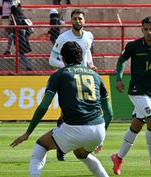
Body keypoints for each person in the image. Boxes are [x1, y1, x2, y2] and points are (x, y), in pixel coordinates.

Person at [11, 41, 112, 177]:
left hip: (75, 128)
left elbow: (44, 106)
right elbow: (109, 113)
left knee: (41, 145)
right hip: (99, 128)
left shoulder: (59, 75)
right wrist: (101, 137)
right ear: (81, 58)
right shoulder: (96, 76)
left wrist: (28, 132)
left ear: (63, 59)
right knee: (81, 154)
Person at [111, 16, 151, 176]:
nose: (149, 32)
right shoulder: (134, 46)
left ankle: (118, 157)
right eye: (146, 29)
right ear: (142, 30)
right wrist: (119, 78)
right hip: (136, 90)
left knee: (136, 124)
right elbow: (121, 60)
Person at [49, 8, 97, 161]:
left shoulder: (89, 36)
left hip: (84, 80)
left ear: (85, 21)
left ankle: (84, 143)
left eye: (80, 19)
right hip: (69, 80)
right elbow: (51, 60)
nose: (78, 21)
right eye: (75, 18)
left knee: (84, 111)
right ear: (71, 20)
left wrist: (90, 64)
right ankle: (60, 147)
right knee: (66, 113)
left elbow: (87, 52)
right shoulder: (63, 37)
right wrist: (69, 68)